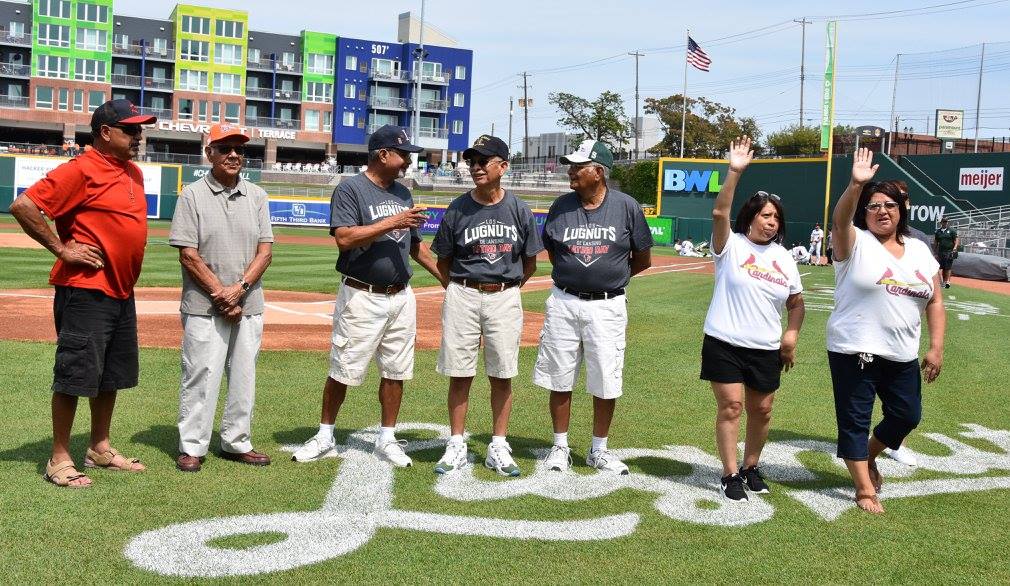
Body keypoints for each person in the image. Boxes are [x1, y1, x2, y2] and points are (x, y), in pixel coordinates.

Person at [9, 99, 156, 487]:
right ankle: (59, 457)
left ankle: (99, 447)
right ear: (105, 133)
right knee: (75, 373)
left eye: (141, 130)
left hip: (121, 292)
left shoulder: (133, 173)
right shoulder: (82, 169)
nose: (139, 136)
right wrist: (62, 248)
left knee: (110, 375)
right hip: (85, 290)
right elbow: (24, 205)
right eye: (131, 130)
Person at [291, 125, 443, 466]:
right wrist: (394, 221)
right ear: (382, 154)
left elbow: (416, 247)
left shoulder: (403, 193)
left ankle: (387, 438)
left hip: (401, 296)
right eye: (403, 154)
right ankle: (325, 434)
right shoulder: (350, 190)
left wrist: (445, 279)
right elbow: (345, 238)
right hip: (361, 294)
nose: (407, 161)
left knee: (396, 370)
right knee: (342, 367)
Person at [827, 148, 946, 514]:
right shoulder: (854, 242)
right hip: (854, 349)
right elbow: (840, 221)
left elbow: (936, 301)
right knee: (855, 420)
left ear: (901, 211)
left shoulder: (920, 251)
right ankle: (864, 490)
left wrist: (936, 345)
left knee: (907, 415)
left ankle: (868, 454)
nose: (882, 211)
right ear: (865, 212)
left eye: (890, 205)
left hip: (902, 353)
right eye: (874, 205)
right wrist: (855, 185)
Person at [533, 139, 653, 475]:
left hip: (607, 306)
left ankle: (599, 449)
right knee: (559, 376)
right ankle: (559, 447)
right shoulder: (560, 206)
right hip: (564, 302)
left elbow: (642, 258)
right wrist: (578, 277)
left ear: (598, 172)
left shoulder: (627, 206)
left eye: (577, 167)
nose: (570, 171)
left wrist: (609, 278)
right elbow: (554, 251)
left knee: (606, 378)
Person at [701, 137, 805, 502]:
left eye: (776, 217)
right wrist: (734, 171)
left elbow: (796, 302)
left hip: (765, 346)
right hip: (724, 341)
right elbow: (718, 214)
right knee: (731, 406)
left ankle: (750, 465)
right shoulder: (730, 245)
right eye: (766, 215)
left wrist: (790, 336)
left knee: (763, 409)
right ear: (751, 217)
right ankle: (730, 473)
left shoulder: (784, 258)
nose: (772, 222)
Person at [430, 135, 542, 476]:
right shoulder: (458, 207)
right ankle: (457, 443)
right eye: (472, 162)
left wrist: (504, 288)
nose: (476, 167)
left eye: (484, 161)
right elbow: (444, 260)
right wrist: (465, 287)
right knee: (459, 372)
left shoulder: (519, 208)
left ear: (503, 166)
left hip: (505, 294)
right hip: (463, 291)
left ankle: (498, 443)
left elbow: (531, 262)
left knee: (502, 373)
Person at [169, 124, 274, 472]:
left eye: (239, 149)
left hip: (249, 302)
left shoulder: (257, 195)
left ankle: (236, 441)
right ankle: (192, 447)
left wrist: (239, 290)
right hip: (204, 304)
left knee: (244, 376)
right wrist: (221, 294)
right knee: (201, 374)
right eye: (225, 148)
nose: (233, 155)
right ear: (209, 153)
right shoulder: (192, 195)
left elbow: (265, 252)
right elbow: (188, 254)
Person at [933, 217, 959, 289]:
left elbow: (956, 240)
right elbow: (936, 242)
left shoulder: (952, 231)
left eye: (946, 222)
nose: (945, 223)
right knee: (940, 268)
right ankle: (942, 281)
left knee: (948, 267)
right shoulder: (938, 232)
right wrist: (934, 251)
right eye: (944, 222)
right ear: (941, 223)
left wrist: (955, 248)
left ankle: (947, 282)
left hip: (949, 251)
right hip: (940, 252)